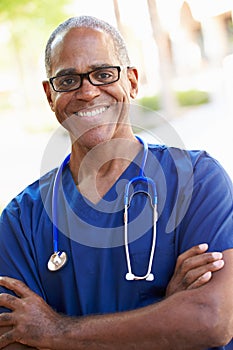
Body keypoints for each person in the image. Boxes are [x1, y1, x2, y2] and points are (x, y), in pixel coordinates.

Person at [0, 15, 232, 350]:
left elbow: (211, 320)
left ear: (132, 81)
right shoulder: (21, 221)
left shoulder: (197, 180)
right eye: (67, 80)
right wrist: (166, 318)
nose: (88, 91)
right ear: (50, 95)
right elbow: (14, 341)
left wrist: (55, 332)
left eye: (104, 74)